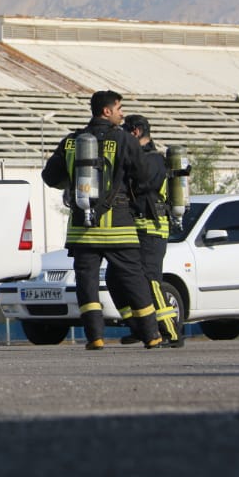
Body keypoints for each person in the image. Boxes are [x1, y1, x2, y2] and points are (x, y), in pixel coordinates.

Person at [41, 90, 163, 350]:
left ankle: (95, 337)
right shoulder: (124, 140)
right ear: (107, 111)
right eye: (119, 108)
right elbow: (142, 178)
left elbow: (50, 177)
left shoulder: (71, 141)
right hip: (118, 224)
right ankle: (151, 334)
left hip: (81, 227)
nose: (122, 113)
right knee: (134, 279)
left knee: (87, 283)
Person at [119, 114, 184, 347]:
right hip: (136, 227)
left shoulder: (153, 159)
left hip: (152, 229)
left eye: (125, 131)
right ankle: (141, 326)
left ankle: (171, 332)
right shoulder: (137, 158)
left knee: (150, 280)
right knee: (116, 278)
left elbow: (141, 184)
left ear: (135, 132)